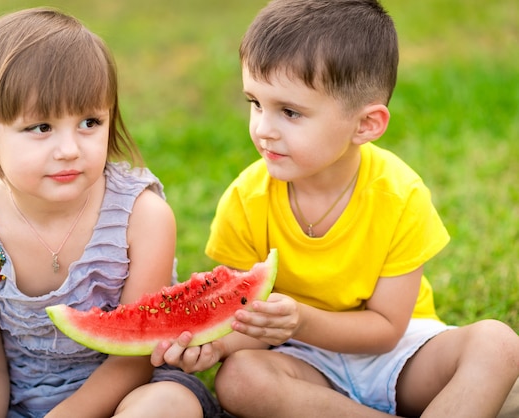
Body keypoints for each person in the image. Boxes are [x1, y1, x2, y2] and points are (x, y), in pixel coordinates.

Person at [152, 0, 519, 417]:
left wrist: (302, 320)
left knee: (498, 343)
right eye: (255, 103)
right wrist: (214, 344)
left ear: (365, 125)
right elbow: (245, 323)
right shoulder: (245, 200)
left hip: (402, 357)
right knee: (239, 378)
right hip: (304, 364)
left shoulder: (400, 195)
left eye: (289, 112)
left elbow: (385, 331)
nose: (262, 129)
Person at [0, 7, 225, 418]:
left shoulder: (141, 219)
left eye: (89, 122)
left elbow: (134, 358)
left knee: (165, 407)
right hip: (15, 397)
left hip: (127, 393)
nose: (70, 148)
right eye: (42, 128)